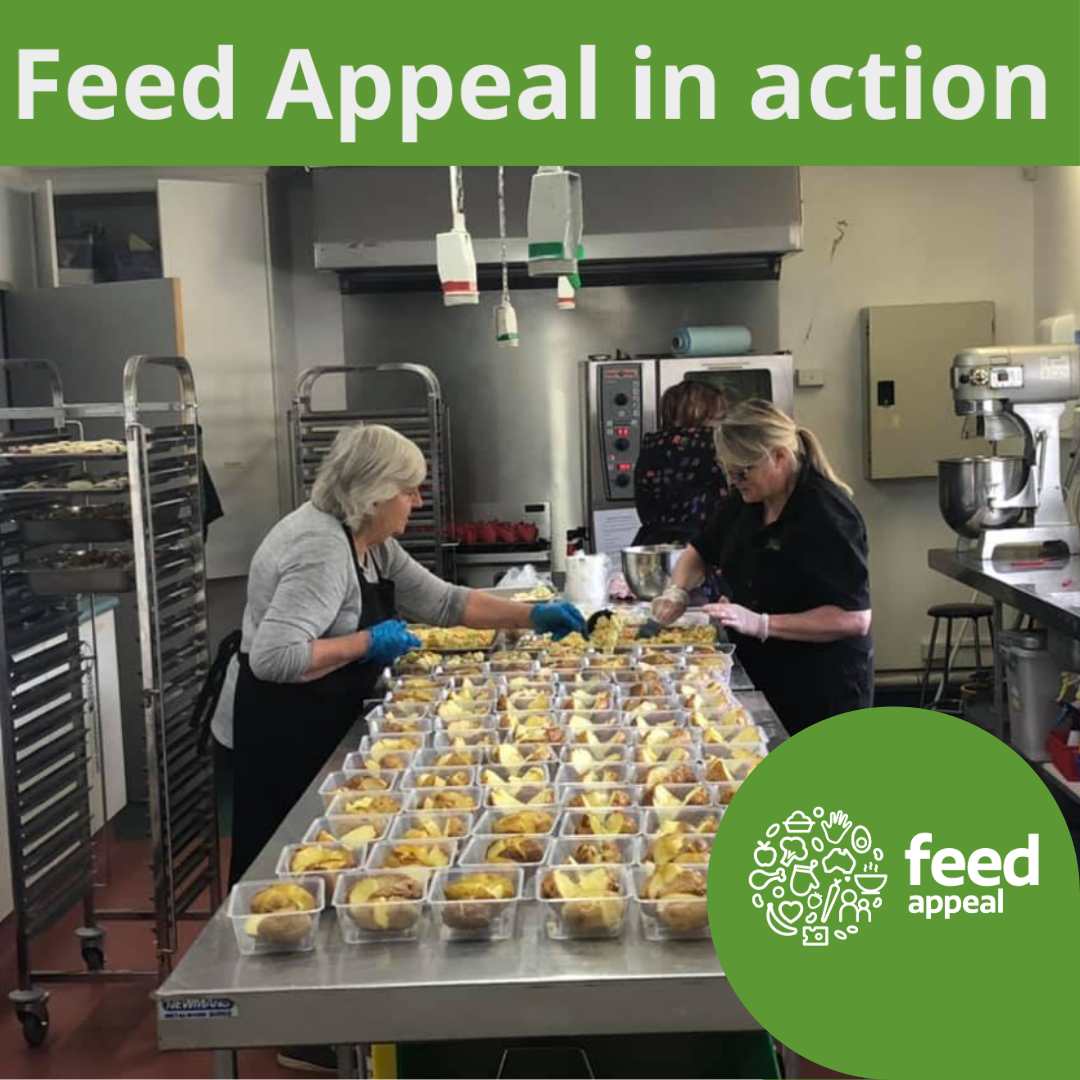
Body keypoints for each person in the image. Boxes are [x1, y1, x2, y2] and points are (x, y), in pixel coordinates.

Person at [229, 423, 583, 886]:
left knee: (337, 853)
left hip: (327, 709)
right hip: (288, 726)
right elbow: (274, 657)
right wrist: (368, 642)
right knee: (288, 864)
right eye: (409, 490)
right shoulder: (321, 548)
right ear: (373, 494)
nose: (417, 501)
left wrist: (531, 616)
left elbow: (444, 602)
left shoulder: (371, 543)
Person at [652, 400, 873, 735]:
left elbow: (853, 618)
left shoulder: (826, 514)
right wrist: (677, 590)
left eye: (742, 472)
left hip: (821, 685)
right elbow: (700, 551)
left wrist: (762, 623)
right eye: (727, 472)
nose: (733, 481)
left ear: (779, 457)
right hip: (762, 670)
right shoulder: (747, 502)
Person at [629, 379, 729, 603]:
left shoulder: (650, 446)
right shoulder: (715, 445)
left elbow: (644, 506)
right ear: (707, 411)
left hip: (652, 553)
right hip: (704, 555)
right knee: (704, 618)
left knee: (655, 616)